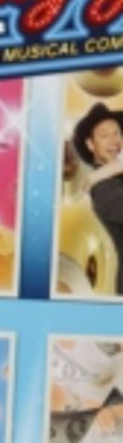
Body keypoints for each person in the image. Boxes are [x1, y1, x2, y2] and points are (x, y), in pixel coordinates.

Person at [73, 101, 123, 297]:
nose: (114, 140)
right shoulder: (104, 189)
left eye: (117, 133)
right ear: (90, 144)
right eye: (104, 135)